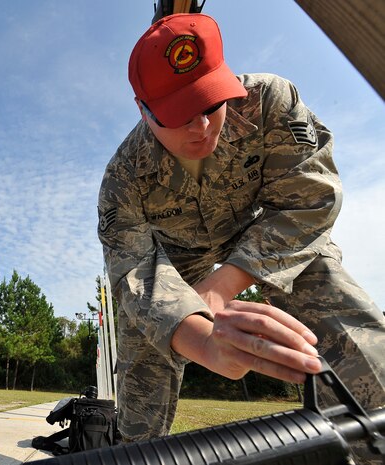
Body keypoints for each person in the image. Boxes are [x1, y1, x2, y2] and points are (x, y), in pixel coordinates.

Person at [97, 13, 384, 463]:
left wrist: (226, 283)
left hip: (264, 231)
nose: (203, 127)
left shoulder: (269, 101)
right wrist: (203, 341)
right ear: (143, 109)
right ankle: (137, 456)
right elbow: (136, 269)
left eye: (212, 104)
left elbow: (309, 200)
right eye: (180, 115)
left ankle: (374, 441)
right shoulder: (123, 178)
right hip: (175, 258)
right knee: (144, 362)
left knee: (341, 313)